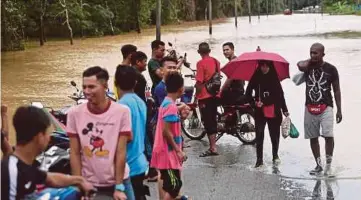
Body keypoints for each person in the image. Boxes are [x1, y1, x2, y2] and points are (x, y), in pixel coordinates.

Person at [67, 66, 135, 200]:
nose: (87, 91)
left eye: (91, 87)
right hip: (90, 183)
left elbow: (120, 151)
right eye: (84, 87)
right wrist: (79, 184)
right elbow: (74, 152)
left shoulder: (122, 112)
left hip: (120, 181)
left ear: (105, 86)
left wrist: (119, 186)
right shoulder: (74, 114)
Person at [1, 106, 95, 200]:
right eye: (47, 134)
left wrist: (79, 180)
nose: (49, 138)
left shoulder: (26, 166)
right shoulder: (12, 172)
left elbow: (51, 179)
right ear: (40, 137)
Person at [297, 43, 342, 175]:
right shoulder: (307, 67)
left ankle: (328, 165)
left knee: (328, 135)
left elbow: (337, 90)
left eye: (316, 53)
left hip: (326, 106)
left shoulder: (331, 69)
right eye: (311, 52)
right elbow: (299, 65)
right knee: (313, 137)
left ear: (323, 54)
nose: (313, 55)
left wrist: (339, 110)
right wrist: (310, 62)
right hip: (310, 106)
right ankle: (318, 165)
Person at [151, 72, 189, 200]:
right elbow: (166, 132)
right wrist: (179, 151)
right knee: (174, 185)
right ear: (181, 89)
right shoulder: (171, 107)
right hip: (168, 152)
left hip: (165, 151)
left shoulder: (167, 103)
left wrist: (180, 108)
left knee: (171, 184)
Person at [245, 60, 289, 168]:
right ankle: (259, 160)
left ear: (270, 67)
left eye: (266, 66)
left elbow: (280, 95)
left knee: (274, 135)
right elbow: (248, 92)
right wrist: (254, 103)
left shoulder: (274, 79)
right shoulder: (256, 77)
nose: (264, 68)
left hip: (274, 110)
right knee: (259, 134)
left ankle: (275, 155)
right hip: (260, 111)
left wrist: (285, 109)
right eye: (262, 66)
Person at [116, 66, 150, 200]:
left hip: (128, 164)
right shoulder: (140, 102)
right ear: (135, 83)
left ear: (116, 82)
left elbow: (126, 137)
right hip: (140, 160)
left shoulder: (121, 106)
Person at [195, 42, 221, 157]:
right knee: (213, 119)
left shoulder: (200, 63)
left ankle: (212, 148)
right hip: (215, 95)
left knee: (207, 121)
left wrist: (196, 97)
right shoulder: (216, 61)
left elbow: (200, 82)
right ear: (209, 51)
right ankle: (213, 146)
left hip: (205, 96)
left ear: (199, 52)